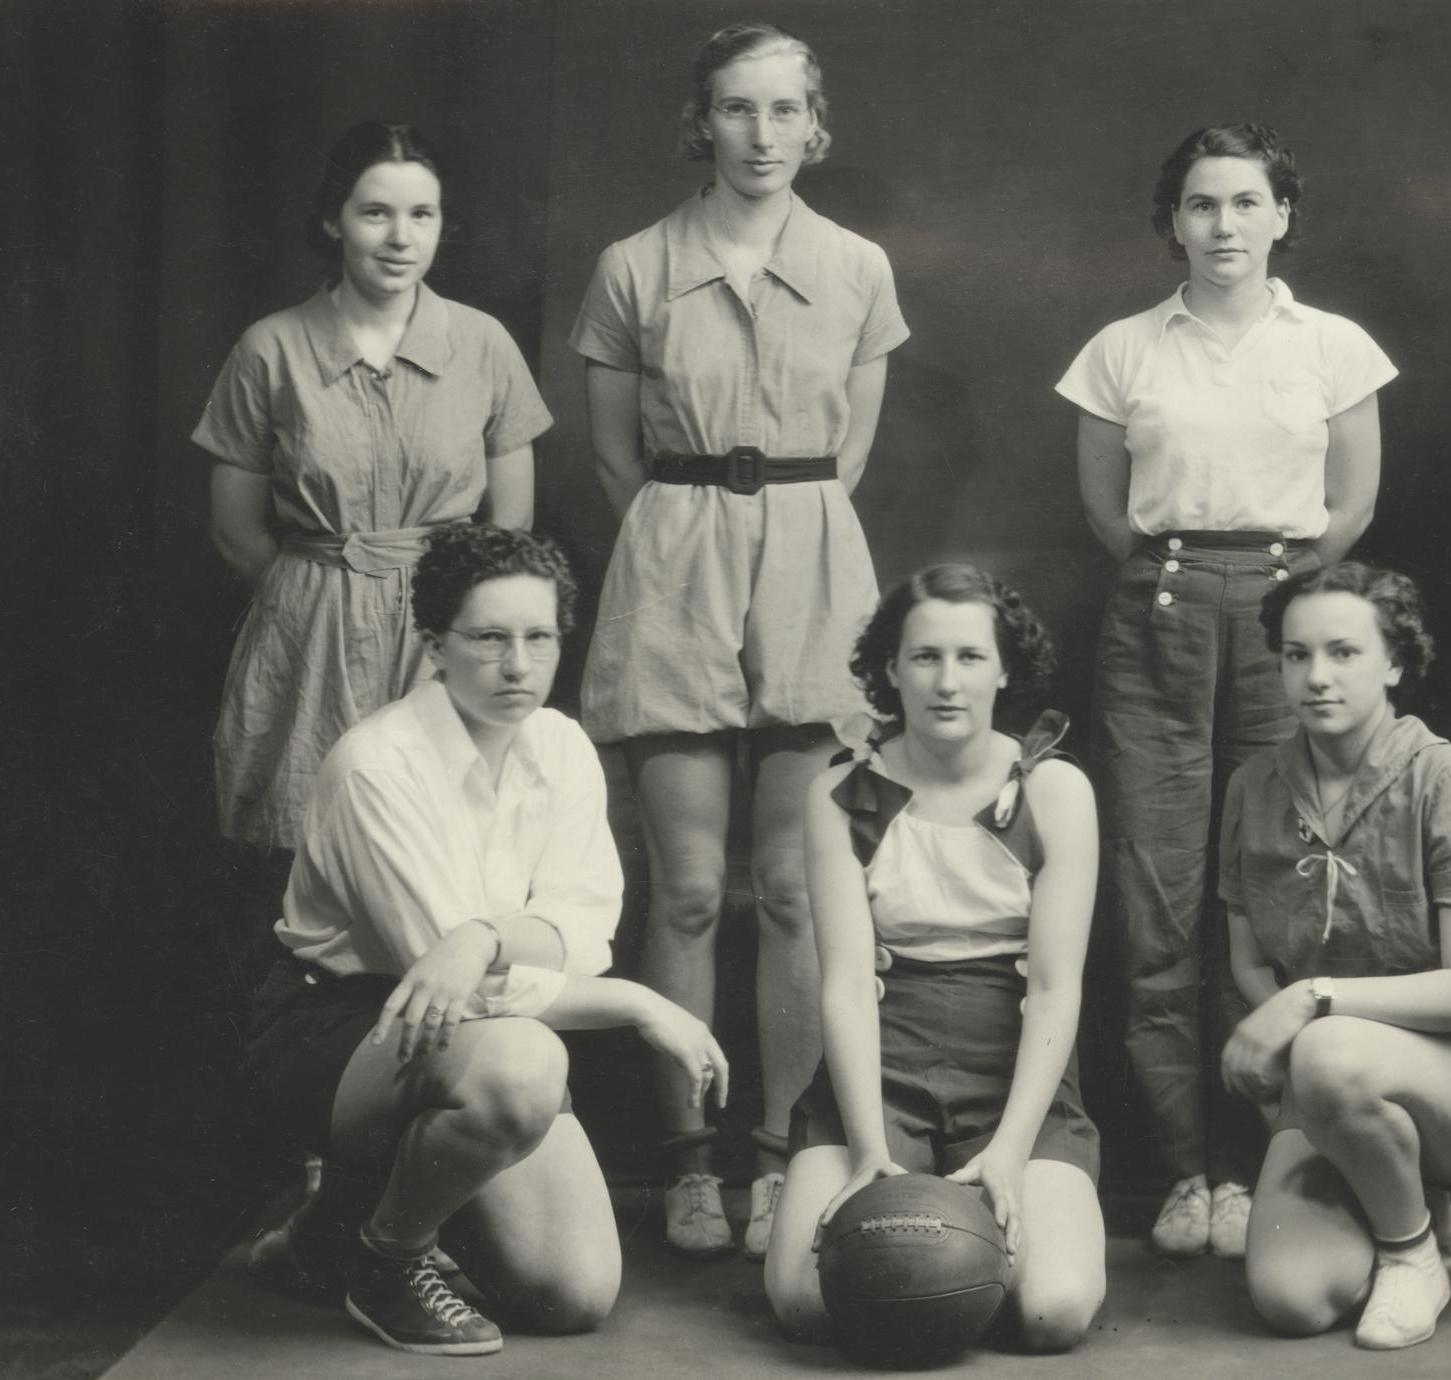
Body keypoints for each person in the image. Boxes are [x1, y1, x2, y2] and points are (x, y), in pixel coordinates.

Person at [568, 21, 909, 1259]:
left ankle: (779, 1159)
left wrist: (786, 539)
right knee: (694, 888)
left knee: (792, 892)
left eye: (783, 113)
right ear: (699, 122)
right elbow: (614, 455)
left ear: (815, 127)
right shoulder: (633, 265)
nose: (761, 136)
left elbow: (851, 450)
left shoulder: (860, 267)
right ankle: (687, 1161)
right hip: (674, 558)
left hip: (817, 561)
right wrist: (688, 541)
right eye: (736, 110)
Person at [241, 524, 728, 1357]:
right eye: (490, 639)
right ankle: (385, 1257)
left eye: (539, 638)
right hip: (341, 1030)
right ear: (435, 644)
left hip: (489, 1035)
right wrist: (637, 1002)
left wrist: (485, 934)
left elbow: (583, 930)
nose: (518, 666)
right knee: (526, 1061)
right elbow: (447, 988)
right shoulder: (376, 767)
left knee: (572, 1295)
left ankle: (330, 1231)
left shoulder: (561, 745)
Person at [1054, 122, 1397, 1257]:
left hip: (1284, 622)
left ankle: (1260, 1163)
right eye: (1202, 206)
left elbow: (1350, 500)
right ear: (1173, 224)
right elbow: (1110, 511)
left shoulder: (1333, 346)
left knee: (1274, 888)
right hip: (1156, 618)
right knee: (1157, 905)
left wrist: (1281, 600)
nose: (1224, 227)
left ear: (1281, 216)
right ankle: (1183, 1172)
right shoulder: (1122, 349)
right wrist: (1184, 578)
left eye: (1246, 204)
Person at [1218, 562, 1451, 1350]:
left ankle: (1412, 1255)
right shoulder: (1254, 787)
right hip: (1332, 1077)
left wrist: (1308, 1003)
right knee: (1291, 1301)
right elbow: (1250, 962)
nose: (1316, 676)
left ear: (1394, 663)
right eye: (1295, 654)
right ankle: (1418, 1203)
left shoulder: (1448, 782)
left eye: (1344, 653)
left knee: (1327, 1049)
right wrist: (1288, 1036)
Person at [764, 566, 1107, 1353]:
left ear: (1005, 667)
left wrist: (1012, 1154)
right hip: (883, 1064)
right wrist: (869, 1152)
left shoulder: (1054, 789)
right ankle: (931, 1236)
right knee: (804, 1301)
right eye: (923, 658)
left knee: (1052, 1311)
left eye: (969, 657)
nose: (947, 683)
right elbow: (847, 985)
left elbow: (1056, 989)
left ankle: (980, 1242)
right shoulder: (841, 792)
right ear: (889, 668)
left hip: (1016, 1065)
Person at [196, 119, 549, 855]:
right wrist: (319, 594)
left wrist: (452, 609)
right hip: (310, 629)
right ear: (334, 221)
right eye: (375, 213)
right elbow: (236, 529)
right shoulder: (271, 347)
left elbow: (510, 522)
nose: (400, 238)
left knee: (444, 845)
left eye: (421, 215)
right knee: (306, 840)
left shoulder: (482, 344)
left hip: (446, 625)